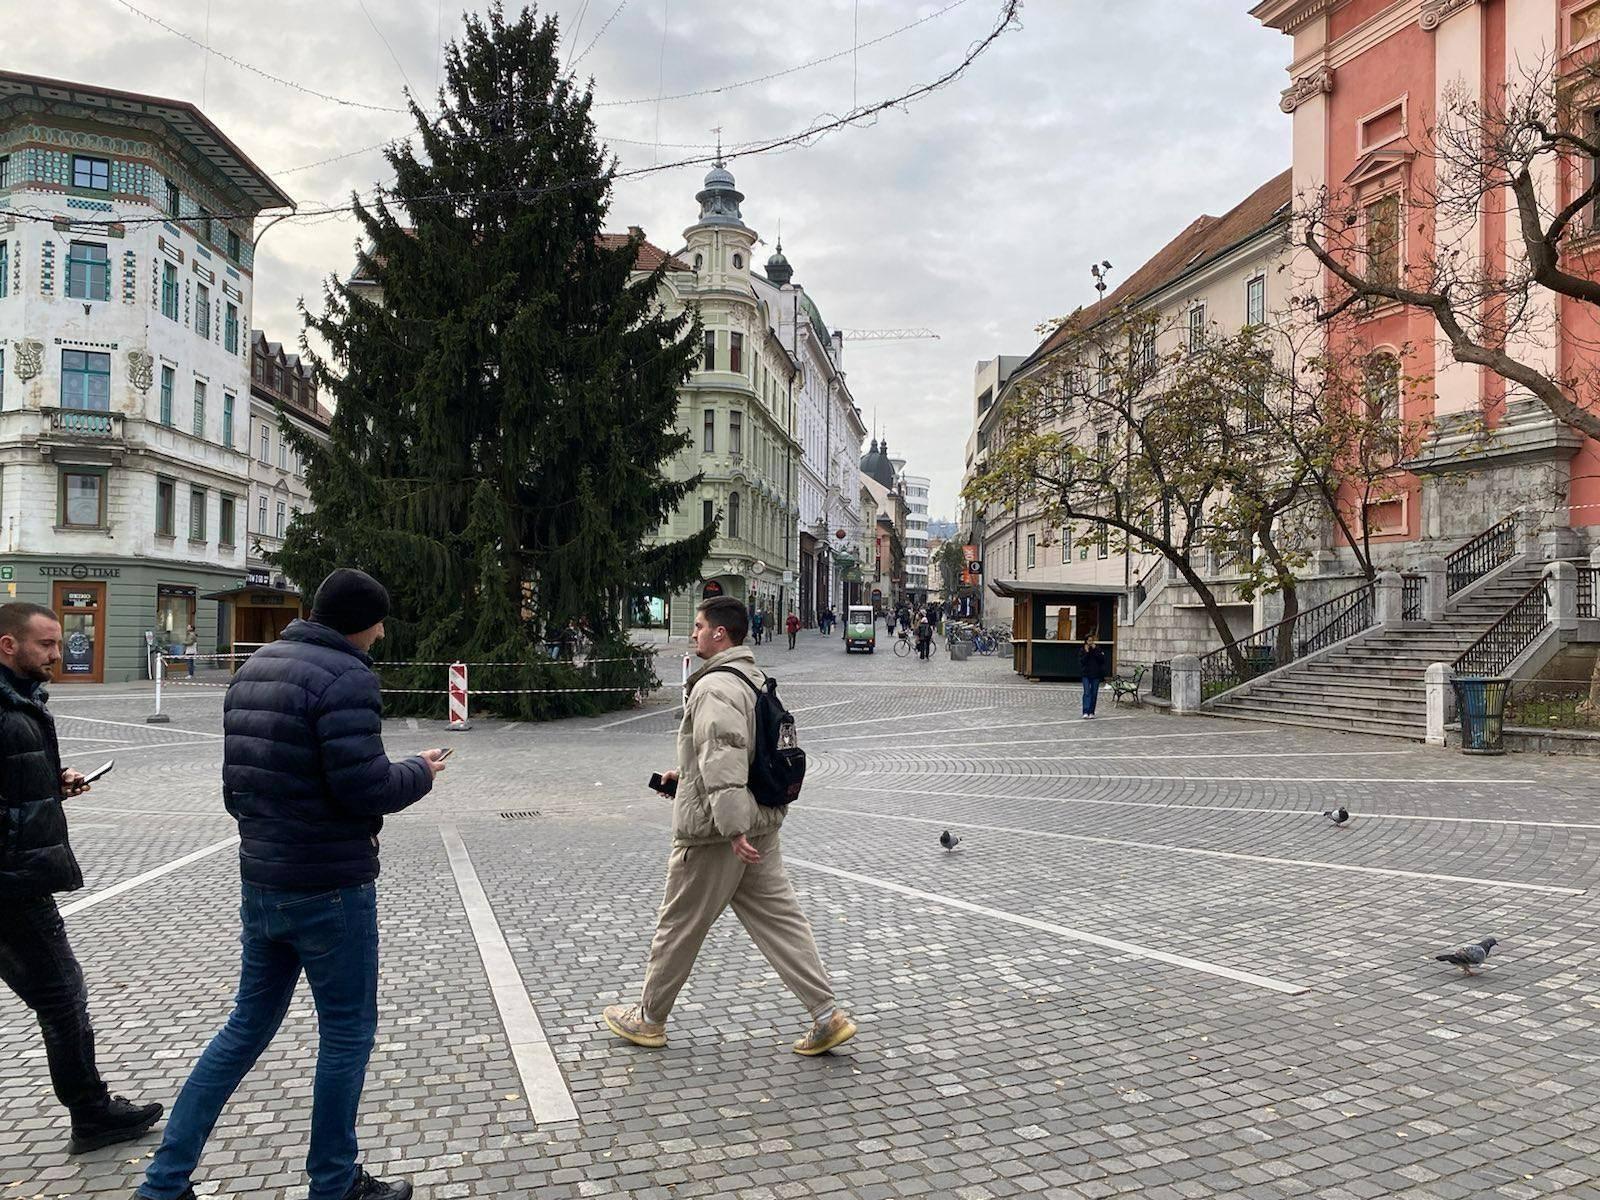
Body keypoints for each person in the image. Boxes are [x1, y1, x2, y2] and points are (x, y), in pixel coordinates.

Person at [138, 569, 447, 1200]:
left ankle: (164, 1183)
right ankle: (334, 1184)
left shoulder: (254, 668)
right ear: (360, 622)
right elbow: (365, 785)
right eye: (381, 621)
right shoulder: (349, 675)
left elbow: (235, 790)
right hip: (332, 885)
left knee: (244, 1027)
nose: (383, 632)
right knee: (346, 1033)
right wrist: (419, 770)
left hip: (263, 878)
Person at [603, 597, 856, 1057]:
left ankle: (649, 1019)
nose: (694, 633)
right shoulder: (750, 676)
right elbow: (732, 753)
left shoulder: (715, 685)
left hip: (720, 835)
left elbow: (724, 755)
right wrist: (686, 778)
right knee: (782, 921)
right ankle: (826, 1016)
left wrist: (733, 829)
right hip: (758, 822)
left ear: (720, 634)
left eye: (699, 626)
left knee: (679, 924)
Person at [0, 603, 166, 1155]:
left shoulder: (19, 700)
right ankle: (92, 1115)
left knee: (59, 997)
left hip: (18, 875)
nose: (57, 653)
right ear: (9, 645)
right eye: (47, 644)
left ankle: (92, 1110)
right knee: (62, 997)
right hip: (14, 884)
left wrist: (54, 781)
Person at [1080, 636, 1109, 720]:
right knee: (1087, 692)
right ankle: (1085, 711)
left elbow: (1102, 660)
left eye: (1091, 641)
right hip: (1086, 674)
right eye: (1089, 641)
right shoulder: (1083, 650)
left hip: (1096, 674)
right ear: (1086, 641)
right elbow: (1082, 661)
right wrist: (1087, 652)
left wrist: (1095, 650)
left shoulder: (1098, 649)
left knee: (1094, 693)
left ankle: (1091, 711)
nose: (1090, 642)